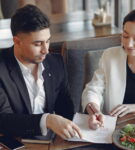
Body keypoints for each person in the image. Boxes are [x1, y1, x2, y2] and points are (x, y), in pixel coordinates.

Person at [0, 4, 82, 140]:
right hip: (16, 142)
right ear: (17, 41)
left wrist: (89, 117)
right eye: (37, 44)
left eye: (48, 41)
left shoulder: (55, 63)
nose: (46, 50)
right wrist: (47, 120)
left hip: (52, 141)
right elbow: (4, 120)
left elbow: (66, 110)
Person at [82, 8, 135, 129]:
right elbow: (93, 89)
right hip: (112, 129)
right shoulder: (110, 56)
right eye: (125, 36)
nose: (128, 44)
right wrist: (94, 111)